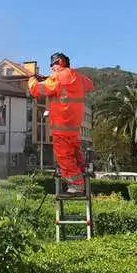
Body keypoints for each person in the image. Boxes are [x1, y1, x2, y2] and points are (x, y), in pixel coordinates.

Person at [28, 52, 94, 195]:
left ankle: (76, 186)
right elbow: (90, 85)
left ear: (59, 62)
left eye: (53, 66)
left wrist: (32, 79)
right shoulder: (79, 77)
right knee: (75, 153)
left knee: (64, 157)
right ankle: (83, 171)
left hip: (61, 126)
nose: (52, 69)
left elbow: (35, 90)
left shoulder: (57, 78)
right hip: (74, 128)